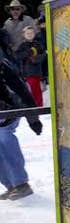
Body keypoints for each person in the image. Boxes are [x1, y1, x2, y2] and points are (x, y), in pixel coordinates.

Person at [0, 55, 41, 200]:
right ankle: (11, 185)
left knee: (3, 138)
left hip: (9, 110)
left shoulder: (3, 66)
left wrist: (33, 119)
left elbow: (22, 90)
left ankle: (21, 184)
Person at [14, 24, 46, 107]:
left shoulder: (38, 45)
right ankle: (33, 106)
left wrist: (36, 59)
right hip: (27, 73)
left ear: (34, 34)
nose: (29, 35)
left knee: (38, 90)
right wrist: (28, 52)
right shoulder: (22, 46)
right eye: (27, 33)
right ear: (23, 35)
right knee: (31, 90)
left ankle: (39, 106)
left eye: (31, 33)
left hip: (38, 72)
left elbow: (44, 55)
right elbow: (17, 56)